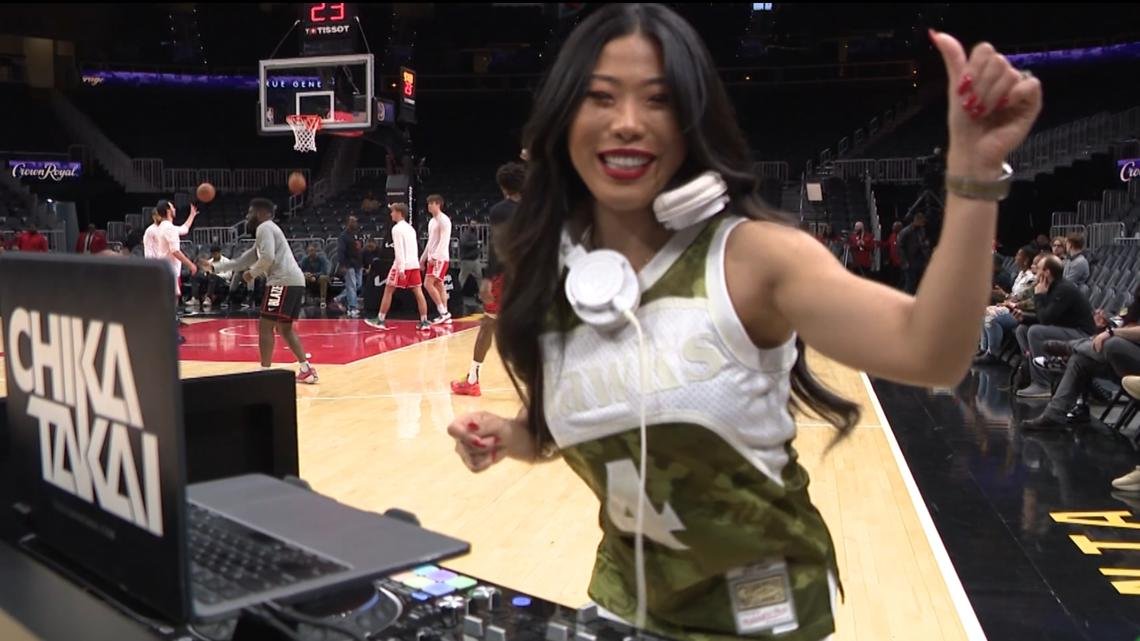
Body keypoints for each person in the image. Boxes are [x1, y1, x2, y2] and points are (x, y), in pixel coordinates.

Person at [443, 6, 1041, 641]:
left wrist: (974, 178)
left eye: (659, 99)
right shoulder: (565, 281)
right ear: (566, 120)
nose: (626, 123)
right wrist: (509, 437)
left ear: (692, 124)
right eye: (600, 97)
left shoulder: (755, 258)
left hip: (762, 618)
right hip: (621, 606)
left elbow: (934, 354)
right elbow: (579, 425)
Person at [206, 198, 318, 384]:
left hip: (282, 281)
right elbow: (241, 262)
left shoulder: (264, 227)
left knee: (265, 326)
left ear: (260, 214)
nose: (247, 217)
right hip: (295, 281)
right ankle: (306, 369)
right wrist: (213, 268)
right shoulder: (266, 232)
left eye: (250, 213)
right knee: (285, 329)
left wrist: (252, 273)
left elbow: (267, 257)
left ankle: (264, 372)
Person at [450, 161, 525, 396]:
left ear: (503, 186)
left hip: (506, 275)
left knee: (488, 324)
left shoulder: (500, 211)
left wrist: (488, 278)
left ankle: (473, 379)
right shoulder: (536, 208)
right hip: (532, 274)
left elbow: (496, 247)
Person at [364, 203, 431, 331]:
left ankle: (380, 319)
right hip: (414, 264)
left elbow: (399, 250)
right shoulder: (411, 228)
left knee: (388, 290)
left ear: (399, 213)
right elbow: (414, 248)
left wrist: (400, 269)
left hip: (402, 265)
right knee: (418, 292)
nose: (391, 214)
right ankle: (424, 321)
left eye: (393, 211)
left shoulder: (396, 229)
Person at [144, 204, 198, 343]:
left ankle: (165, 332)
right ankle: (167, 333)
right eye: (172, 207)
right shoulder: (154, 230)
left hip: (167, 269)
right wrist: (190, 264)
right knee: (167, 302)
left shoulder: (164, 228)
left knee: (169, 301)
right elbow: (174, 251)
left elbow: (184, 229)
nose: (175, 209)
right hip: (161, 269)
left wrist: (192, 215)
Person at [420, 194, 454, 324]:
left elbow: (444, 241)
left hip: (440, 257)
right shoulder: (432, 221)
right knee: (439, 284)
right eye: (428, 203)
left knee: (428, 284)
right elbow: (430, 242)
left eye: (431, 203)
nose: (428, 206)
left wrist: (434, 257)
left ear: (438, 204)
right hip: (433, 257)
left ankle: (443, 312)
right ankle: (445, 313)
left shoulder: (444, 220)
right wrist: (423, 258)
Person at [333, 215, 364, 317]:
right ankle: (352, 308)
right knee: (351, 286)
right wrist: (342, 264)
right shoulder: (343, 236)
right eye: (352, 221)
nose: (354, 223)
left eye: (355, 221)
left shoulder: (358, 234)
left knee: (358, 285)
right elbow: (340, 251)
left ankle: (339, 298)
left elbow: (361, 248)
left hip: (358, 263)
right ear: (347, 223)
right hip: (348, 263)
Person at [897, 212, 930, 294]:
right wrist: (904, 261)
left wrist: (925, 244)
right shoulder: (906, 231)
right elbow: (900, 246)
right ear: (917, 220)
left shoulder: (921, 230)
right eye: (922, 221)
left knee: (920, 283)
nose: (923, 224)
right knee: (910, 284)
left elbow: (922, 241)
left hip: (920, 259)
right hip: (910, 260)